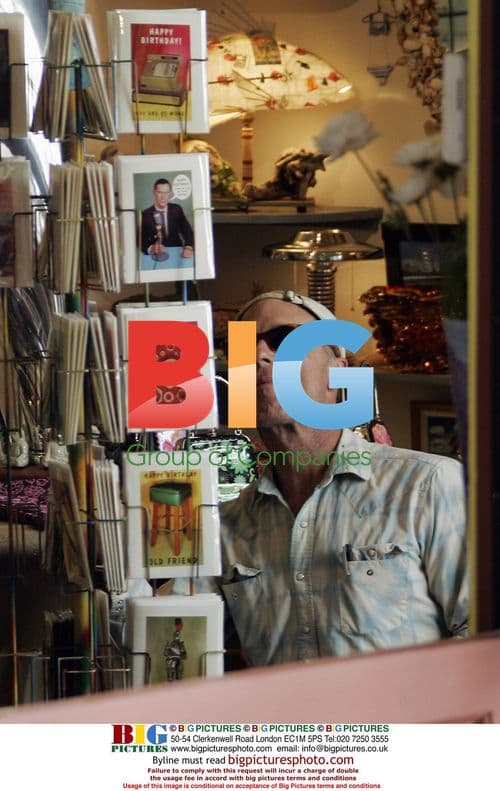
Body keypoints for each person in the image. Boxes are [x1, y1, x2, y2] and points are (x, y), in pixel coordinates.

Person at [217, 289, 468, 667]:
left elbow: (483, 640)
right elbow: (167, 638)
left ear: (339, 373)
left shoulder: (427, 487)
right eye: (241, 347)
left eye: (286, 340)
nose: (257, 356)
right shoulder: (227, 524)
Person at [141, 178, 194, 260]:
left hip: (177, 254)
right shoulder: (145, 214)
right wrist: (151, 248)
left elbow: (187, 231)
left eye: (166, 193)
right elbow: (140, 239)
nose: (163, 197)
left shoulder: (177, 209)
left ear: (170, 194)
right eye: (160, 192)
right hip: (155, 256)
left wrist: (189, 246)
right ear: (154, 193)